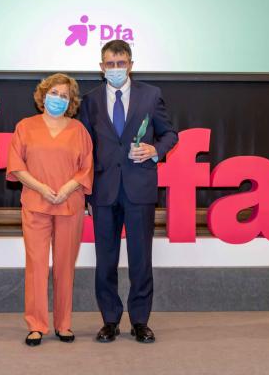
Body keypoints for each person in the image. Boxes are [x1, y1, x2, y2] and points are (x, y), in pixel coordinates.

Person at [79, 40, 178, 343]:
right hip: (103, 191)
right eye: (110, 64)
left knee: (140, 259)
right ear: (101, 67)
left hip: (139, 189)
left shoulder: (151, 95)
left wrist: (155, 150)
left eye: (121, 64)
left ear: (131, 65)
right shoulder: (90, 100)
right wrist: (85, 192)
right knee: (105, 261)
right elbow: (83, 147)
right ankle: (110, 320)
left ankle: (140, 321)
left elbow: (170, 134)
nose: (116, 69)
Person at [7, 73, 93, 346]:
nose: (58, 99)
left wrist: (67, 188)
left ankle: (63, 324)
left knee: (65, 266)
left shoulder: (78, 130)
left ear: (71, 102)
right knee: (37, 265)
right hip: (36, 203)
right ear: (43, 95)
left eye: (64, 95)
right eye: (54, 93)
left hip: (70, 204)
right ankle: (36, 325)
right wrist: (42, 188)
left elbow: (86, 168)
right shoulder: (25, 127)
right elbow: (16, 165)